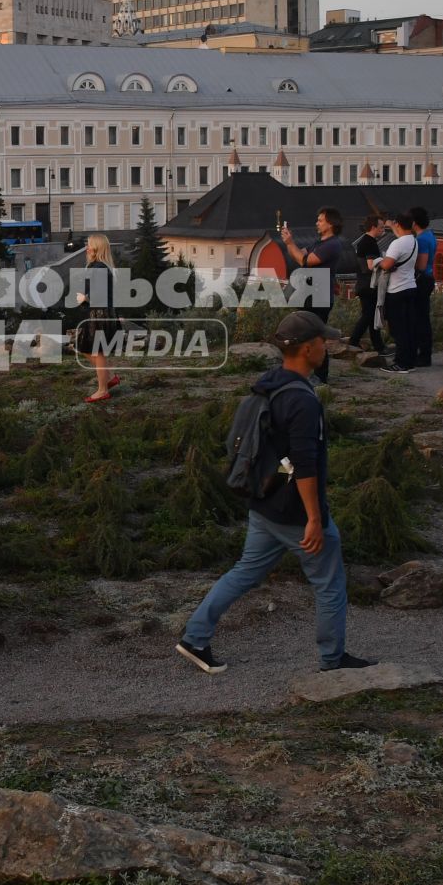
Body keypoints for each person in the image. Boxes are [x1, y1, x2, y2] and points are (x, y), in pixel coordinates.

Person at [176, 311, 374, 676]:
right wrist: (314, 518)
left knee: (244, 572)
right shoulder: (303, 400)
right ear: (308, 348)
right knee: (330, 582)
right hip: (293, 510)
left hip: (264, 502)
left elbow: (280, 454)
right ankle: (333, 660)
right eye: (323, 343)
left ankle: (195, 637)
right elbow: (304, 463)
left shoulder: (270, 383)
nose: (327, 348)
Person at [278, 206, 349, 385]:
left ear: (330, 223)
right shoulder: (319, 243)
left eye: (320, 220)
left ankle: (320, 376)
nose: (317, 223)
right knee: (304, 333)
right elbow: (299, 255)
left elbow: (306, 260)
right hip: (309, 294)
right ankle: (306, 372)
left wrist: (289, 243)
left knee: (316, 335)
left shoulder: (332, 244)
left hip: (319, 295)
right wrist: (291, 245)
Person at [72, 234, 123, 404]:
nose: (87, 247)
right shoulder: (97, 266)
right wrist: (87, 300)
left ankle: (103, 390)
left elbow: (99, 298)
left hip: (100, 316)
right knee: (85, 349)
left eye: (90, 245)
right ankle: (108, 378)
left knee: (96, 352)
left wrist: (85, 300)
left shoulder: (99, 268)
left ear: (98, 248)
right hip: (98, 315)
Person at [373, 210, 420, 373]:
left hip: (397, 290)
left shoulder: (397, 244)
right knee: (409, 326)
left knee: (398, 328)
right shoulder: (413, 241)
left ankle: (401, 363)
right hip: (410, 286)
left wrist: (379, 262)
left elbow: (387, 264)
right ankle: (410, 360)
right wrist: (392, 226)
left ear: (398, 224)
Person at [346, 213, 387, 356]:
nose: (383, 230)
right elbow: (370, 265)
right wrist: (386, 264)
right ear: (374, 227)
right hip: (368, 285)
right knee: (369, 315)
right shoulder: (370, 243)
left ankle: (378, 346)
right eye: (381, 227)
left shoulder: (365, 241)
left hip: (364, 284)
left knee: (370, 315)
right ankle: (354, 341)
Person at [409, 206, 437, 368]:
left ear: (414, 223)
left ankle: (424, 355)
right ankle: (424, 353)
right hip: (429, 278)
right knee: (423, 317)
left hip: (422, 280)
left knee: (420, 318)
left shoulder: (422, 240)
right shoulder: (430, 235)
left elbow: (421, 264)